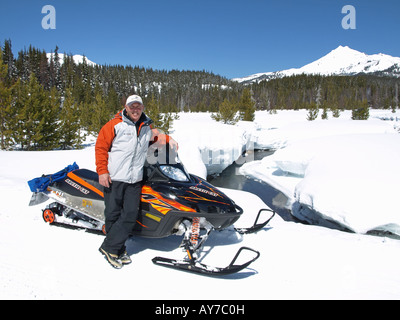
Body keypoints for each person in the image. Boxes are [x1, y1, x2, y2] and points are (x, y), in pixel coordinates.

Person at [95, 94, 178, 269]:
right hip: (115, 177)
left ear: (142, 108)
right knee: (113, 215)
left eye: (138, 106)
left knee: (130, 214)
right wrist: (102, 172)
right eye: (132, 106)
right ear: (125, 107)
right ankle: (115, 248)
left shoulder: (146, 127)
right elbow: (101, 147)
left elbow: (157, 137)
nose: (135, 109)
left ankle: (111, 247)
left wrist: (171, 141)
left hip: (134, 179)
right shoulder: (114, 125)